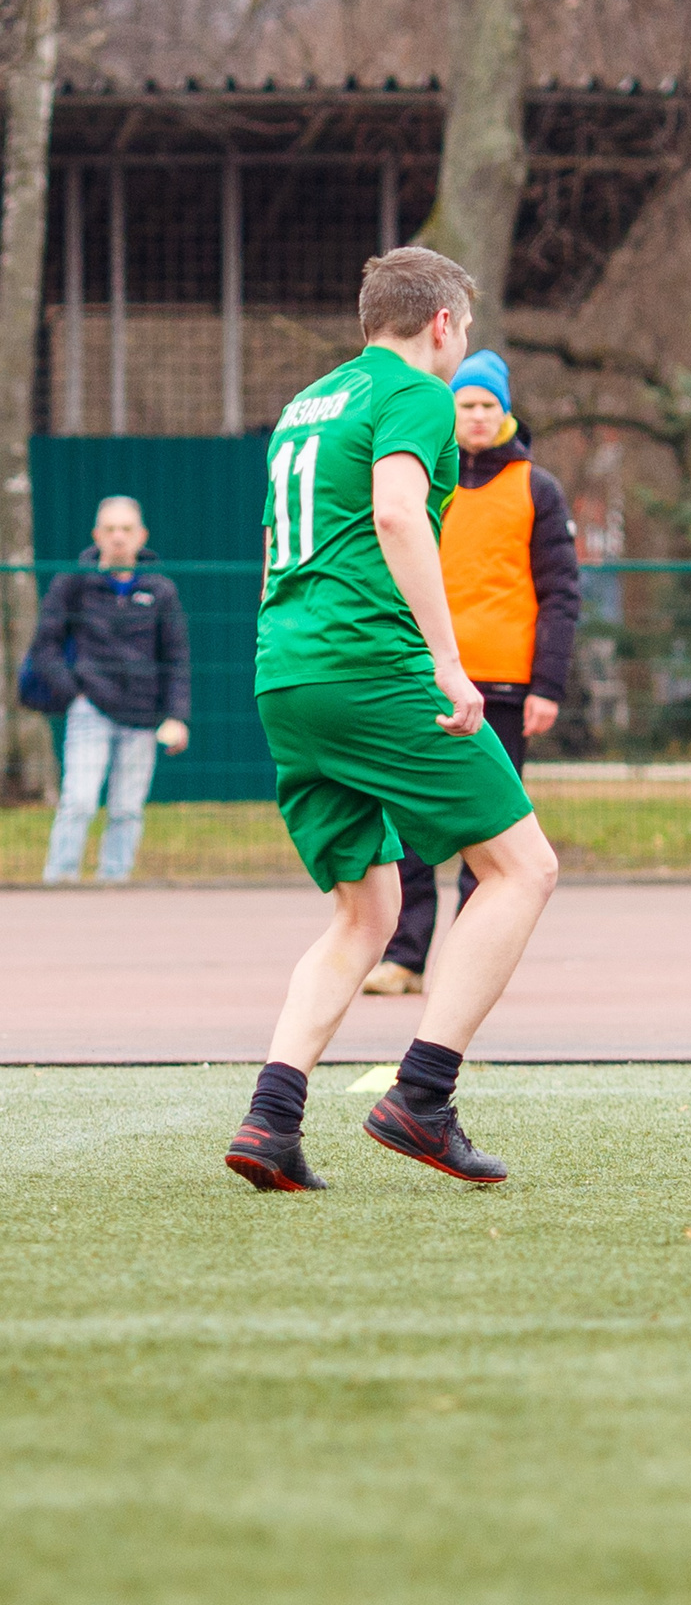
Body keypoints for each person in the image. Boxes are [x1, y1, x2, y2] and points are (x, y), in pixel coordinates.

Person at [224, 247, 561, 1193]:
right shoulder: (415, 391)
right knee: (522, 868)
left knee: (364, 910)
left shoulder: (308, 405)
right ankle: (423, 1096)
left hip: (285, 670)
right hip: (370, 666)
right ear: (444, 325)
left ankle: (272, 1120)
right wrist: (449, 665)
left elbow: (272, 548)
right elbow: (398, 516)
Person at [362, 349, 580, 995]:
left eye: (489, 405)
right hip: (422, 677)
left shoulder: (537, 488)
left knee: (490, 832)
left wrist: (548, 684)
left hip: (507, 687)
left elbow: (561, 593)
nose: (478, 416)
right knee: (411, 822)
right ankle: (404, 956)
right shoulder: (423, 480)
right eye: (466, 404)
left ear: (505, 411)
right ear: (449, 411)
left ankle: (465, 957)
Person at [33, 496, 190, 883]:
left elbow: (176, 658)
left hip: (142, 713)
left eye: (126, 529)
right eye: (110, 529)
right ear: (96, 535)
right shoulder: (73, 583)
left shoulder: (161, 590)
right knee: (79, 801)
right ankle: (60, 881)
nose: (118, 537)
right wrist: (74, 692)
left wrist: (177, 716)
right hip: (90, 709)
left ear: (141, 536)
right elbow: (45, 645)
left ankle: (114, 885)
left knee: (126, 808)